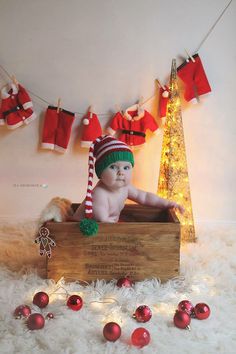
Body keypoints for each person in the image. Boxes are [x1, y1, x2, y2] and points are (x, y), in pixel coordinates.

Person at [71, 136, 184, 235]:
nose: (121, 172)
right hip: (80, 230)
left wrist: (168, 204)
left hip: (109, 229)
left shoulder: (125, 188)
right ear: (100, 172)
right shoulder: (100, 193)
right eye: (113, 167)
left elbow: (144, 197)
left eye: (126, 168)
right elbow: (101, 219)